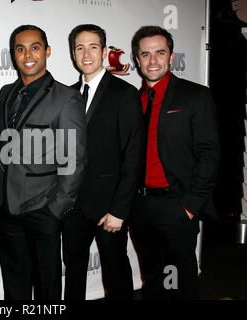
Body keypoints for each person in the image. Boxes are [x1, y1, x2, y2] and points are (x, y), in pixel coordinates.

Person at [0, 25, 86, 300]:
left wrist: (56, 209)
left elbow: (75, 158)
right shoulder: (6, 92)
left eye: (35, 47)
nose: (27, 55)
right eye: (20, 49)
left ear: (47, 51)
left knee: (47, 287)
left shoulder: (66, 97)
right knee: (14, 285)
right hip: (6, 209)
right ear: (14, 55)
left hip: (42, 209)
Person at [130, 26, 220, 300]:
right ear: (137, 59)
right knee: (153, 277)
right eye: (146, 54)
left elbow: (209, 154)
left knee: (178, 280)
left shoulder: (194, 96)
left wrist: (191, 206)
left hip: (176, 206)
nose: (153, 60)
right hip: (140, 207)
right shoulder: (134, 100)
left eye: (160, 53)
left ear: (171, 57)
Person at [62, 24, 144, 300]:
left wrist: (120, 210)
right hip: (72, 208)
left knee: (116, 275)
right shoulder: (67, 95)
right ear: (73, 54)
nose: (86, 54)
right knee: (73, 274)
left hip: (109, 208)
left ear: (105, 52)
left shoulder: (124, 94)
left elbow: (134, 155)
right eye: (80, 48)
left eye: (93, 46)